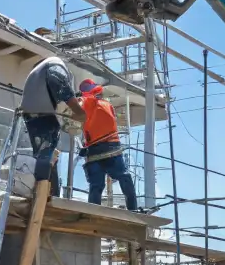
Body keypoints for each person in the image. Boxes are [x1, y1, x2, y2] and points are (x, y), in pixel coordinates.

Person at [19, 56, 87, 196]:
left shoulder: (39, 69)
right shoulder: (56, 64)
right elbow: (59, 83)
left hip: (30, 116)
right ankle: (42, 193)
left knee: (47, 155)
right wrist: (79, 111)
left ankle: (50, 192)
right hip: (43, 114)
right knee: (46, 155)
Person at [77, 79, 138, 211]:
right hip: (111, 148)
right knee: (124, 177)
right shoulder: (106, 104)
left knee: (96, 185)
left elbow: (80, 108)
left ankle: (93, 213)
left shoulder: (86, 102)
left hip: (94, 151)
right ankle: (133, 209)